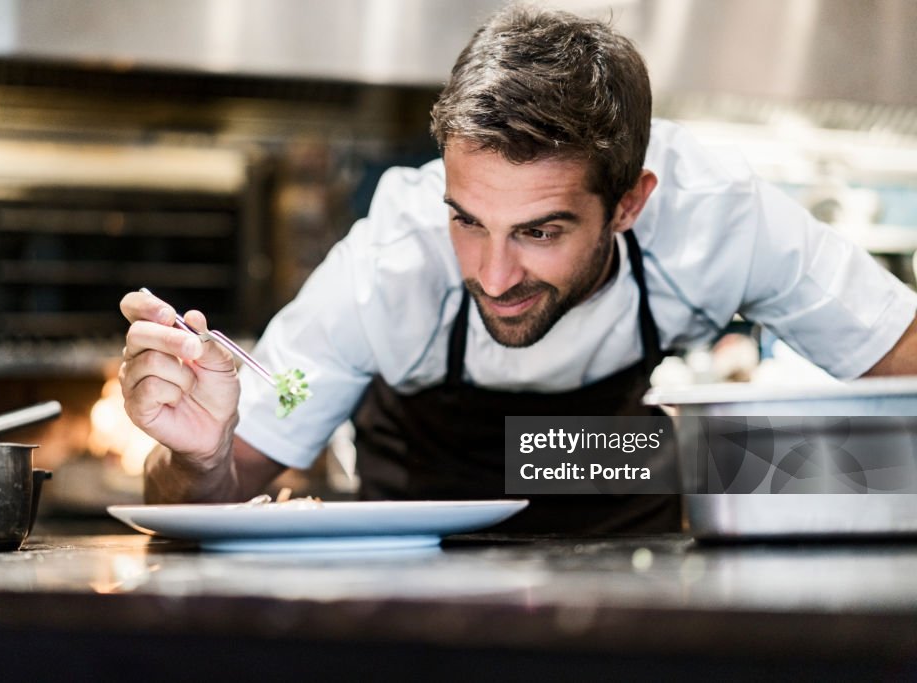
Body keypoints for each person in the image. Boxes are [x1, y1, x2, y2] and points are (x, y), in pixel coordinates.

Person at [118, 5, 917, 534]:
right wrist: (197, 455)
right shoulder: (387, 261)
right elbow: (200, 503)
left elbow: (901, 362)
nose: (494, 273)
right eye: (468, 218)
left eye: (540, 230)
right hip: (416, 573)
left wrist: (738, 461)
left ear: (631, 203)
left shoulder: (721, 215)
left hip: (632, 568)